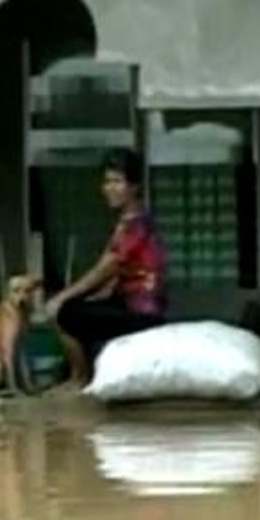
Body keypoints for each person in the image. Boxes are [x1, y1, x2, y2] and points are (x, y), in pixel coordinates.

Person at [45, 147, 167, 385]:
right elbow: (112, 275)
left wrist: (62, 298)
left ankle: (80, 379)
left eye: (117, 182)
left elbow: (105, 268)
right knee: (77, 309)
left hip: (142, 313)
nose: (109, 188)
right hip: (125, 304)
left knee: (65, 313)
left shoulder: (136, 225)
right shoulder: (125, 223)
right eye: (107, 182)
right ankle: (80, 375)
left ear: (134, 187)